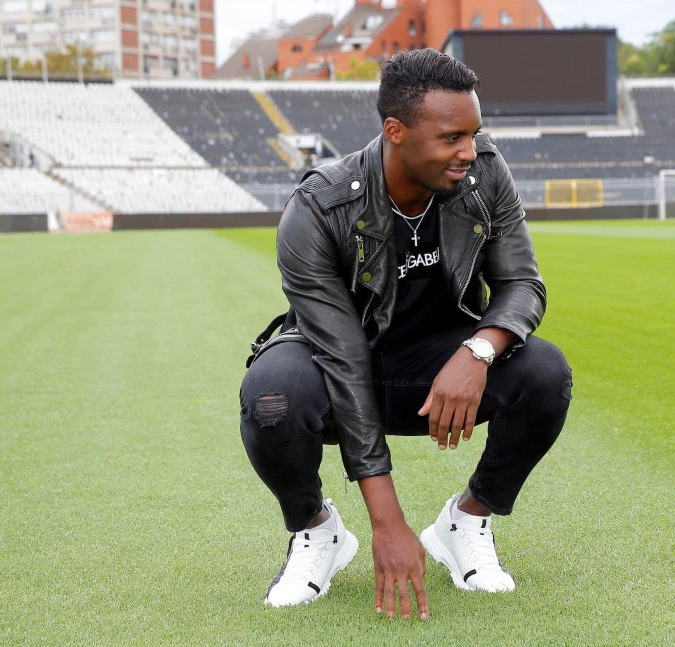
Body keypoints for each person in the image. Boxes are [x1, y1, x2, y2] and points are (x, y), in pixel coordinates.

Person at [239, 48, 572, 621]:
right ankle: (317, 530)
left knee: (545, 372)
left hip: (440, 363)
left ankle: (466, 520)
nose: (469, 151)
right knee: (272, 395)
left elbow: (522, 284)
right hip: (339, 364)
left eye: (474, 134)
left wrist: (477, 351)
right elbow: (343, 358)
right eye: (451, 138)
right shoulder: (318, 207)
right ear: (395, 131)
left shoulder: (484, 173)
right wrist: (387, 523)